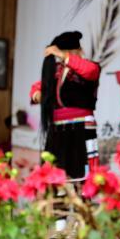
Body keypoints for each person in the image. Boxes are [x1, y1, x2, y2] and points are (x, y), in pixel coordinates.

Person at [29, 31, 100, 181]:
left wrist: (63, 55)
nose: (64, 56)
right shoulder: (57, 70)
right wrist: (36, 94)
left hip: (81, 126)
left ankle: (81, 194)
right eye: (63, 52)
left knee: (80, 172)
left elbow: (90, 71)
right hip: (57, 128)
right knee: (55, 173)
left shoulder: (91, 67)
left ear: (78, 50)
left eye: (68, 52)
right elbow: (39, 85)